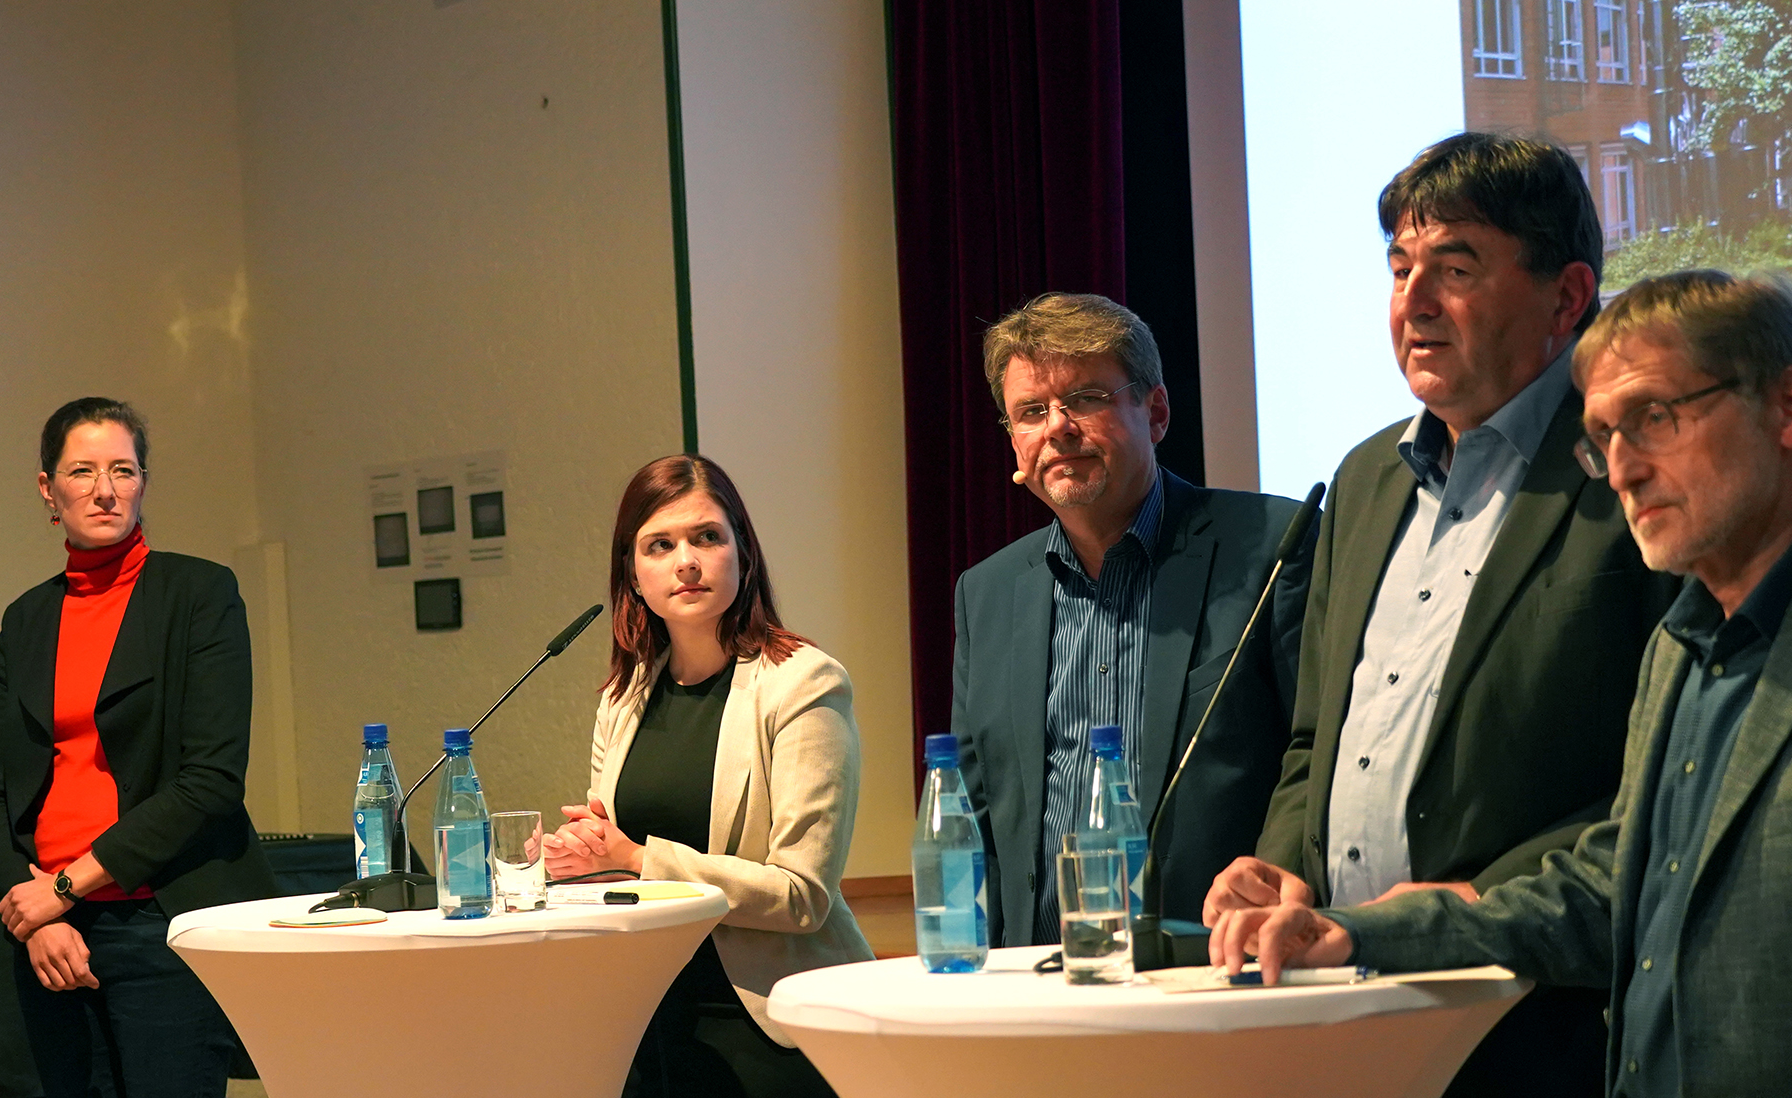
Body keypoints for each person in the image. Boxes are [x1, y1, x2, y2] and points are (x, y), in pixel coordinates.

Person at [1216, 269, 1792, 1098]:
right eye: (1603, 437)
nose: (1621, 469)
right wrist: (1356, 930)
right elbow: (1606, 888)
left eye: (1654, 419)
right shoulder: (1677, 646)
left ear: (1789, 406)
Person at [1206, 133, 1680, 1095]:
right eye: (1398, 267)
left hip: (1545, 1016)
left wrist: (1472, 904)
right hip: (1348, 1008)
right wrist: (1286, 864)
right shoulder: (1367, 475)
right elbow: (1314, 740)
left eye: (1454, 266)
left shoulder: (1631, 468)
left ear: (1567, 294)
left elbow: (1671, 766)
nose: (1412, 301)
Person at [949, 292, 1314, 943]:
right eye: (1031, 410)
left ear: (1156, 411)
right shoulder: (987, 593)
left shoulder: (1272, 546)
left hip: (1220, 972)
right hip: (1038, 987)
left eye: (1087, 397)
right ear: (1014, 442)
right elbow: (977, 810)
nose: (1058, 426)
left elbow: (1314, 754)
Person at [0, 397, 275, 1098]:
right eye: (82, 471)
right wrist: (32, 902)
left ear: (143, 481)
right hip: (52, 935)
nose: (105, 489)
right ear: (48, 489)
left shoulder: (199, 593)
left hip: (160, 922)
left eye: (123, 469)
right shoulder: (27, 617)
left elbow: (212, 780)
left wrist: (64, 885)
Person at [546, 454, 871, 1098]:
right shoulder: (623, 696)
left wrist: (637, 858)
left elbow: (803, 896)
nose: (685, 561)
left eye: (707, 537)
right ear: (633, 575)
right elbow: (611, 853)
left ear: (742, 554)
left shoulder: (803, 682)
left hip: (765, 1020)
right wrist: (577, 857)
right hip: (645, 1016)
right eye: (659, 545)